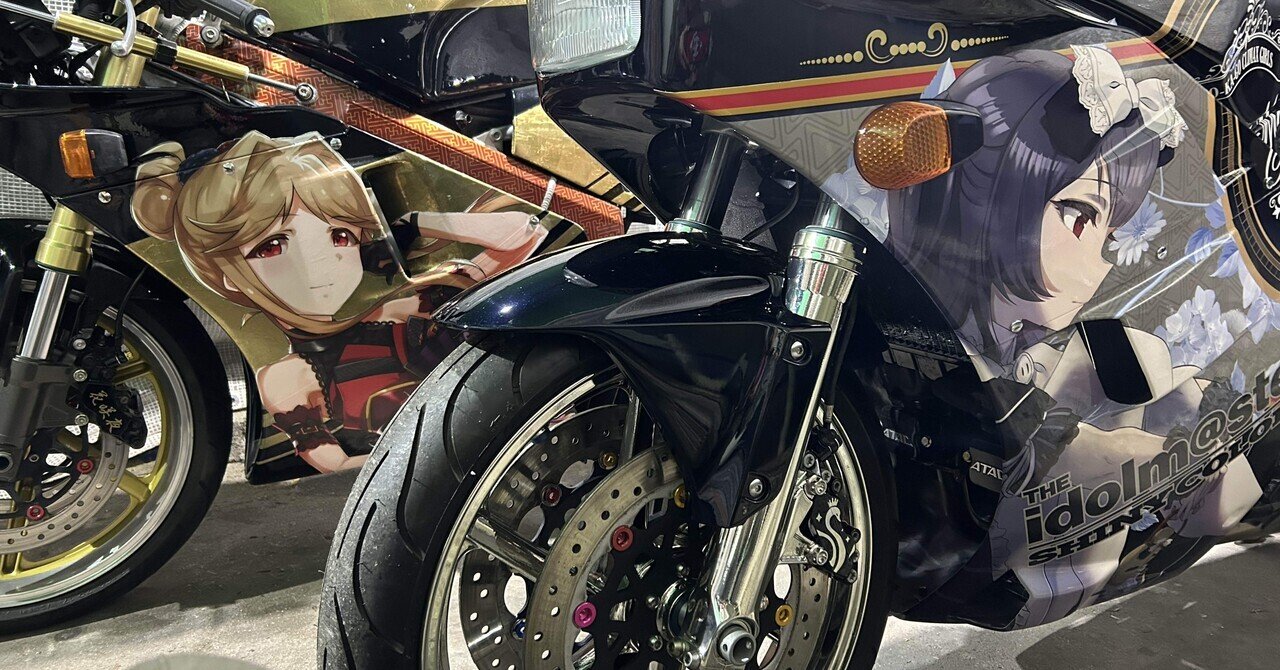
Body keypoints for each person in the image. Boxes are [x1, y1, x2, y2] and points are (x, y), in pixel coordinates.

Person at [886, 47, 1260, 626]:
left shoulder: (1035, 348)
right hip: (944, 553)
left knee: (1146, 367)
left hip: (969, 559)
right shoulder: (926, 332)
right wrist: (1163, 455)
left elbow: (1208, 498)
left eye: (1108, 232)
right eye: (1080, 215)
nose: (1100, 261)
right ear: (993, 192)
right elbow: (1088, 452)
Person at [132, 131, 546, 472]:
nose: (319, 261)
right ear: (227, 273)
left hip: (541, 429)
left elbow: (527, 232)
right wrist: (425, 460)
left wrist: (416, 223)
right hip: (470, 470)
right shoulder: (287, 376)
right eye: (272, 245)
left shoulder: (415, 302)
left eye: (340, 236)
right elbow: (334, 461)